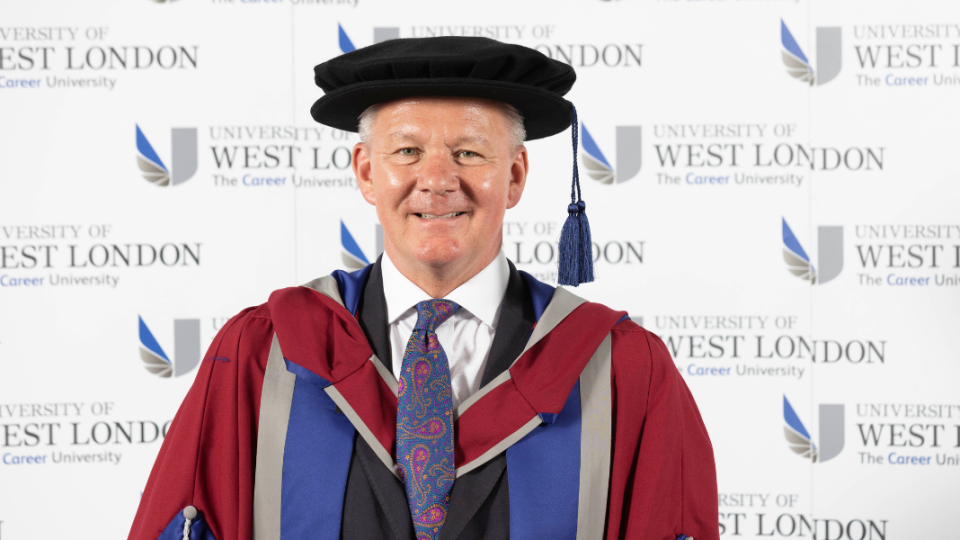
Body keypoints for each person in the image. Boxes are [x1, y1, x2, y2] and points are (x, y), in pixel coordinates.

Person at [128, 36, 719, 540]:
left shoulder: (619, 369)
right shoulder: (264, 355)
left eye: (468, 152)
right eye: (407, 151)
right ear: (366, 171)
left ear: (514, 176)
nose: (436, 181)